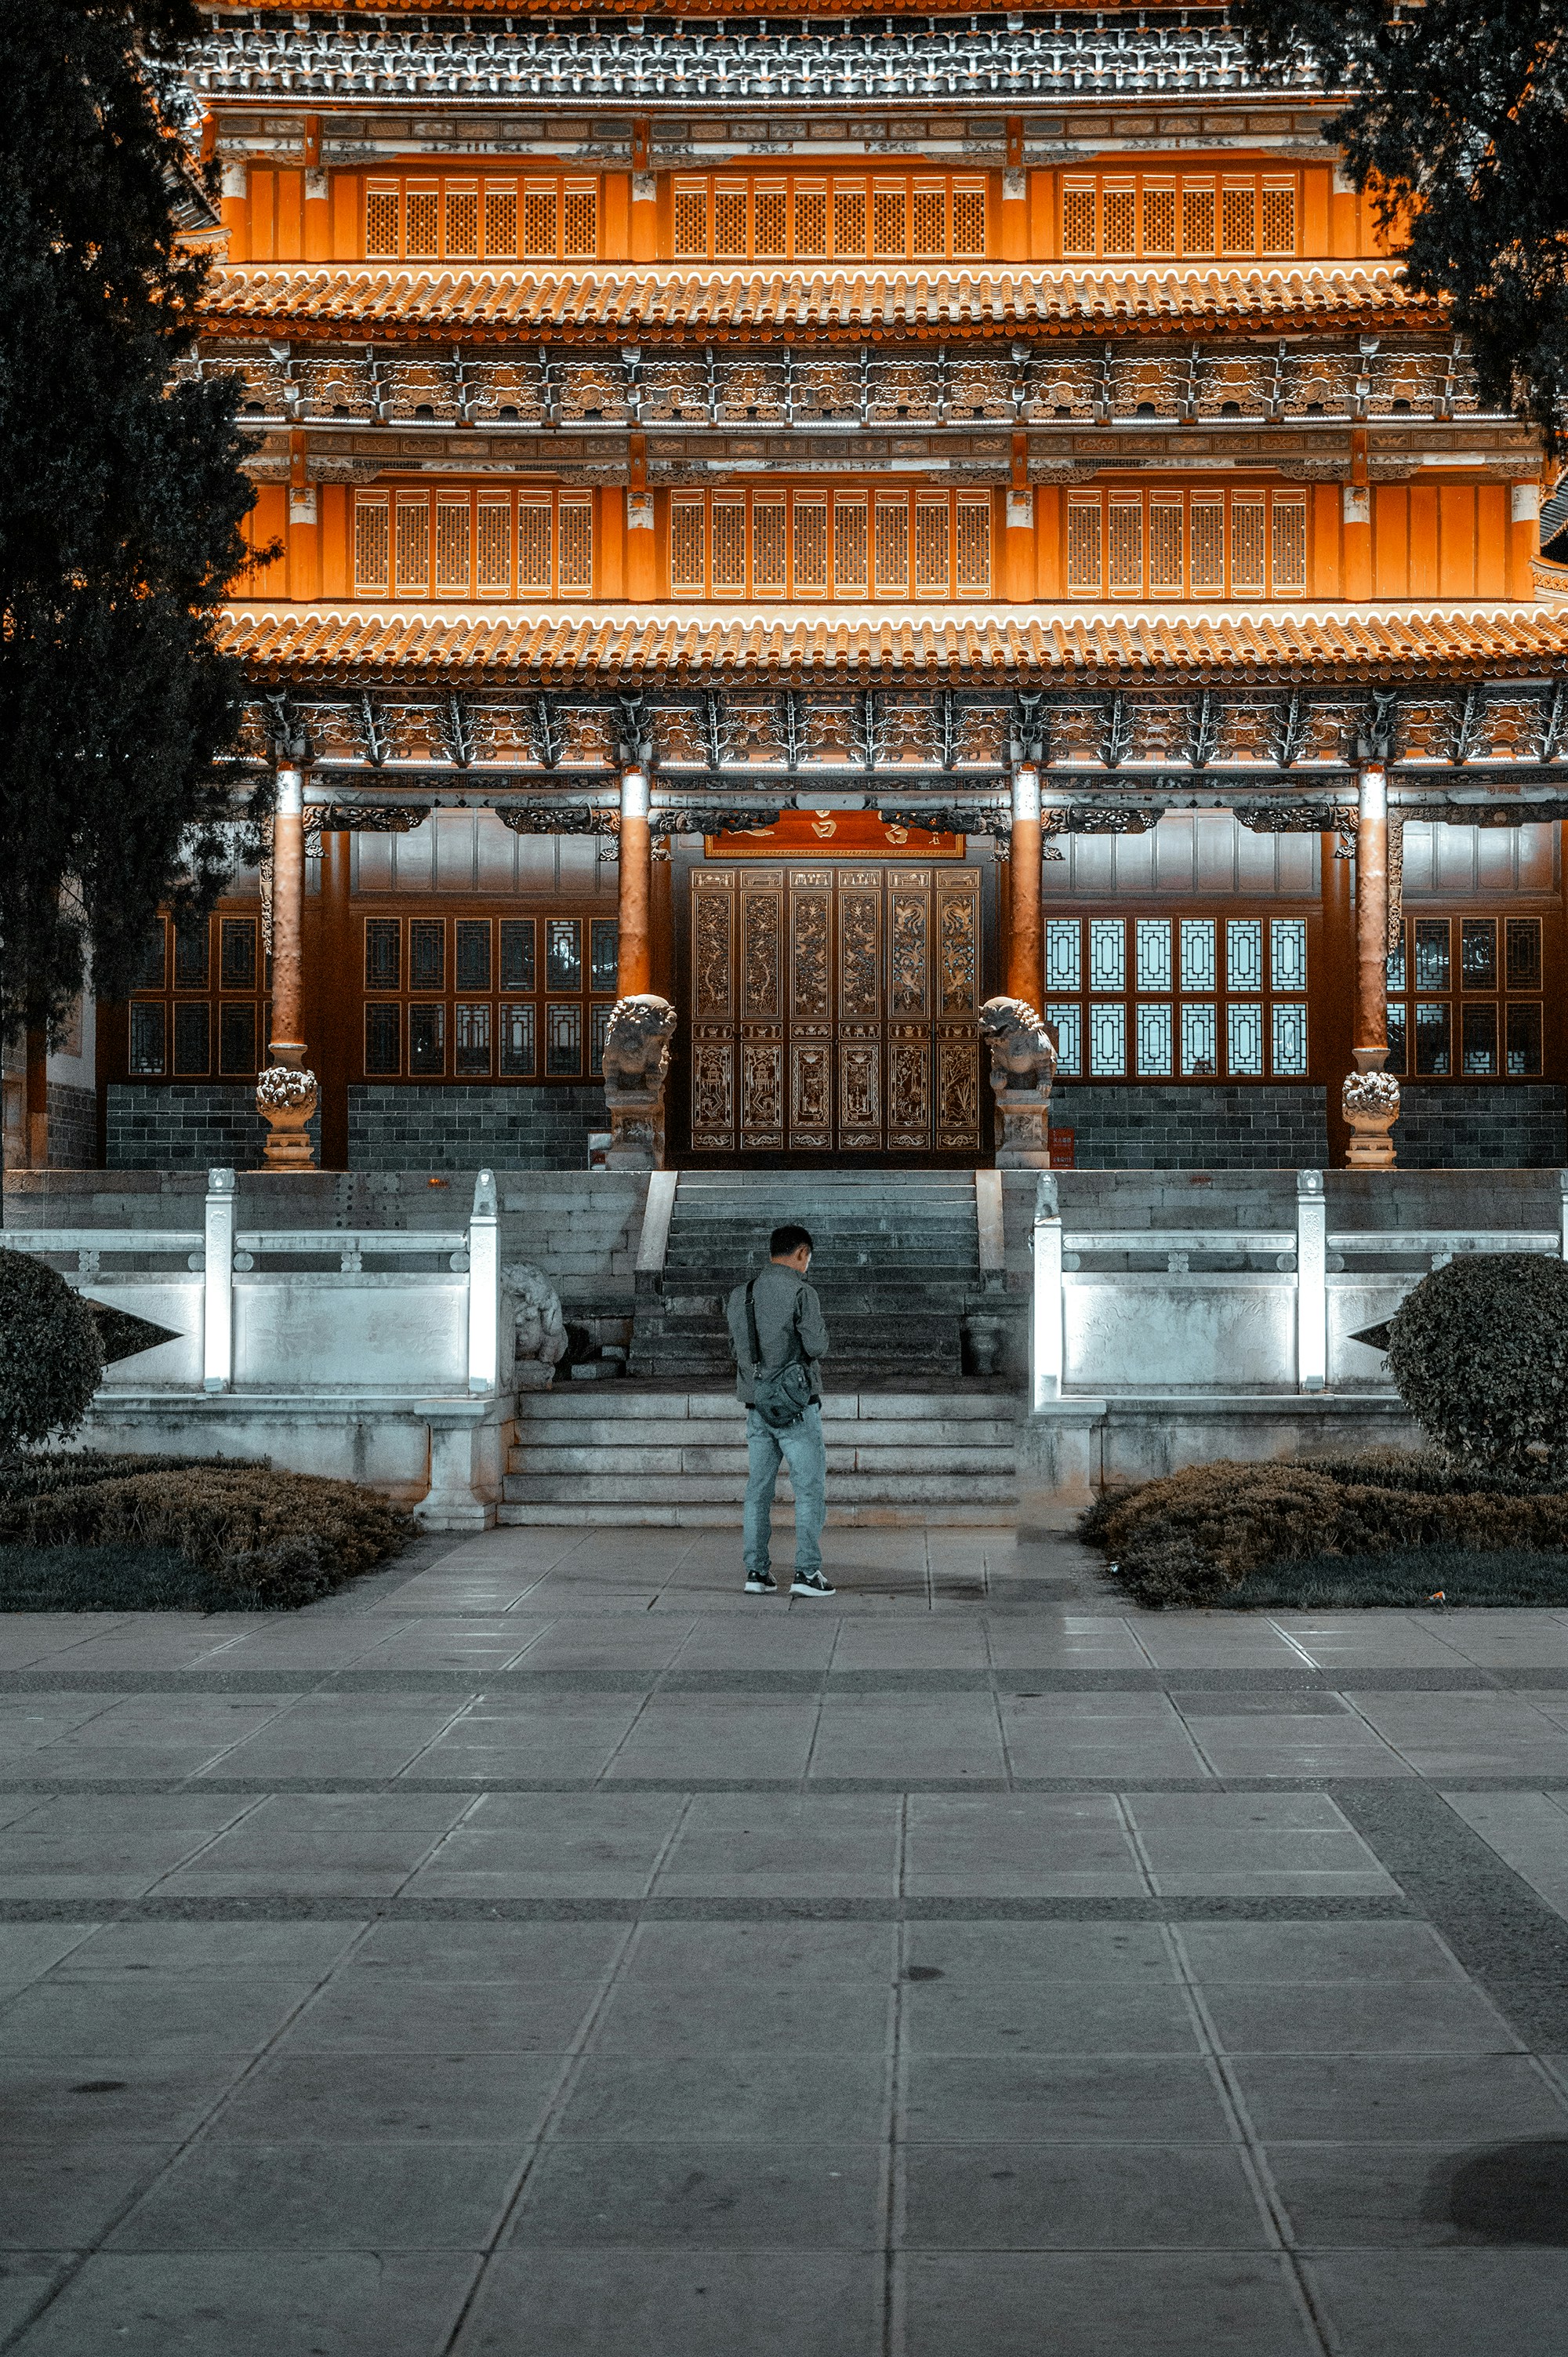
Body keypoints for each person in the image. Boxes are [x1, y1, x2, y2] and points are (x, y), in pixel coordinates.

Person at [725, 1221, 835, 1598]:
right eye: (808, 1257)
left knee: (758, 1491)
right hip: (797, 1408)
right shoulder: (802, 1292)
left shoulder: (741, 1294)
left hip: (757, 1406)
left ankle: (756, 1572)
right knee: (809, 1491)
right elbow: (817, 1346)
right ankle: (807, 1573)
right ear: (802, 1253)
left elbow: (737, 1349)